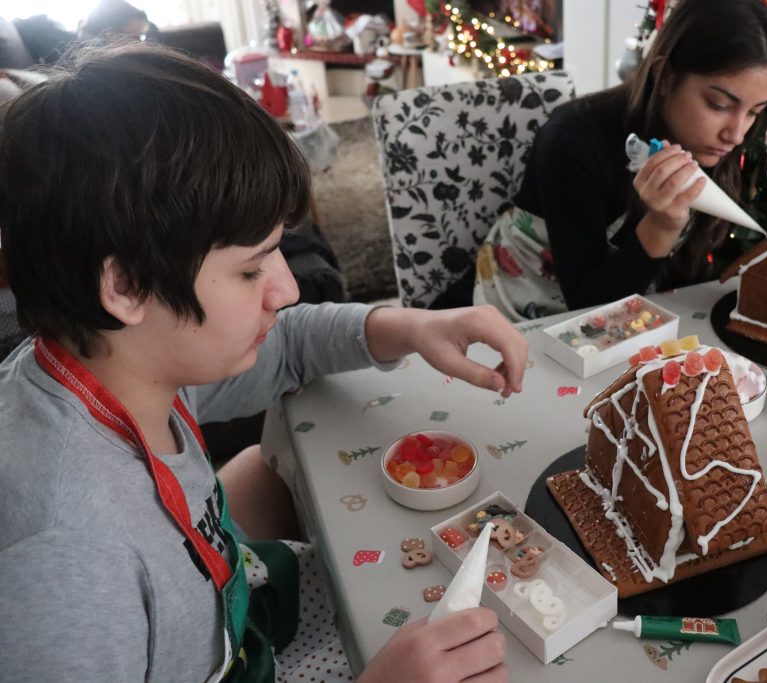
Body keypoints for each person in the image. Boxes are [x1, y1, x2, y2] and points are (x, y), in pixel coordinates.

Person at [0, 43, 521, 682]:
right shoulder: (65, 563)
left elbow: (288, 344)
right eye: (251, 270)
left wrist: (409, 326)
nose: (288, 289)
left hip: (233, 609)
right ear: (129, 286)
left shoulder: (121, 359)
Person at [473, 0, 767, 321]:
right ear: (664, 76)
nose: (736, 135)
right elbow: (588, 309)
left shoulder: (713, 143)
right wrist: (660, 227)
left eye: (754, 112)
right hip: (520, 319)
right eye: (719, 105)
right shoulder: (572, 139)